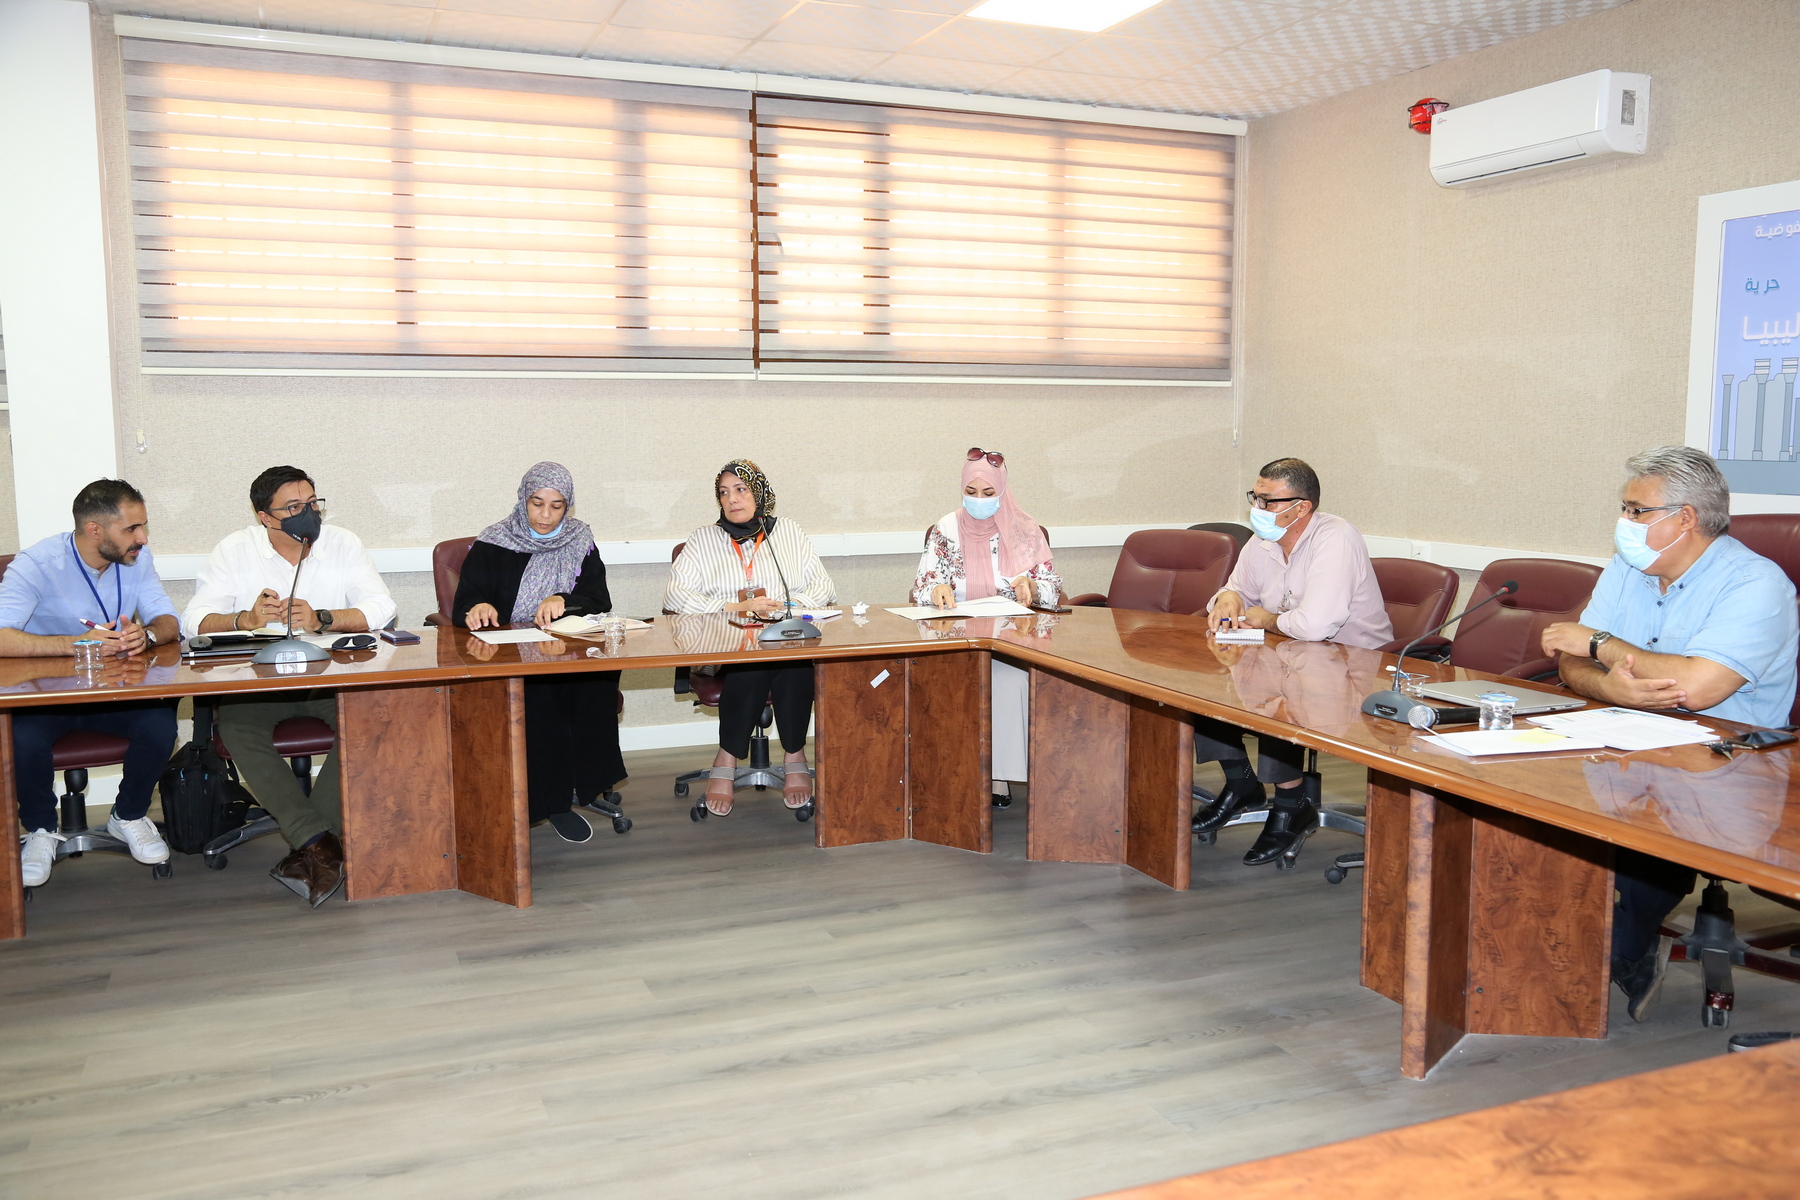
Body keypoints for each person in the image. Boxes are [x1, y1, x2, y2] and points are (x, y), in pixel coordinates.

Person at [1541, 445, 1797, 1021]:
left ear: (1686, 519)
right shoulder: (1628, 568)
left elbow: (1698, 687)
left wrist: (1601, 647)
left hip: (1732, 763)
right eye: (1624, 508)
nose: (1624, 522)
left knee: (1643, 819)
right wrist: (1614, 687)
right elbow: (1569, 660)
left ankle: (1616, 955)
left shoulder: (1755, 584)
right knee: (1533, 798)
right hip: (1628, 736)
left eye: (1637, 511)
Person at [183, 466, 397, 908]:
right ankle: (322, 843)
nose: (308, 514)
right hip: (259, 685)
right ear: (265, 517)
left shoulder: (342, 543)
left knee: (368, 720)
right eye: (294, 507)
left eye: (313, 503)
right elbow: (194, 621)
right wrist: (243, 619)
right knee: (237, 728)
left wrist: (324, 618)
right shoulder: (235, 550)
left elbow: (382, 607)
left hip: (329, 679)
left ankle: (312, 843)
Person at [1192, 457, 1393, 865]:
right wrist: (1228, 598)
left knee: (1279, 699)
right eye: (1255, 497)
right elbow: (1237, 590)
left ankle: (1291, 804)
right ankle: (1241, 783)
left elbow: (1315, 625)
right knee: (1203, 687)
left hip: (1355, 667)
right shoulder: (1264, 540)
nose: (1258, 509)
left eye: (1268, 501)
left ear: (1302, 507)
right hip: (1289, 652)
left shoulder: (1335, 539)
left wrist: (1266, 618)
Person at [0, 480, 179, 888]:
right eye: (131, 528)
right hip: (46, 695)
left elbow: (168, 620)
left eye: (143, 526)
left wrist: (148, 635)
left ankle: (128, 815)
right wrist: (75, 644)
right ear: (95, 530)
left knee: (159, 725)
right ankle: (40, 829)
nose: (142, 538)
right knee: (22, 738)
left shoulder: (137, 558)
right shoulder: (37, 564)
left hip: (113, 691)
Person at [452, 461, 626, 842]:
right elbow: (465, 601)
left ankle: (585, 782)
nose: (546, 515)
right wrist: (477, 608)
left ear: (568, 506)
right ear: (523, 500)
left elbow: (599, 600)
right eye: (537, 504)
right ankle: (551, 802)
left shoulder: (580, 540)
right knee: (541, 695)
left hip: (564, 649)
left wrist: (564, 599)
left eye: (556, 506)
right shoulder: (493, 542)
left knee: (596, 682)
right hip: (508, 655)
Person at [663, 460, 834, 817]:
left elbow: (823, 587)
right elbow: (675, 597)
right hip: (722, 648)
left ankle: (794, 754)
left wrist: (782, 606)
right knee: (751, 664)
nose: (732, 499)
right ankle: (726, 757)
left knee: (795, 663)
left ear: (759, 494)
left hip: (783, 640)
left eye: (741, 490)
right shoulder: (703, 539)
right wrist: (735, 607)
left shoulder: (788, 532)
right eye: (724, 493)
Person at [911, 447, 1060, 807]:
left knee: (1008, 681)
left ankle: (997, 775)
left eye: (989, 493)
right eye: (971, 492)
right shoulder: (945, 529)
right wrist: (936, 590)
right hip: (955, 638)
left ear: (1002, 491)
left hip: (1011, 640)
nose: (979, 500)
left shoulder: (1025, 530)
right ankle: (951, 773)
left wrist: (1032, 587)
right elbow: (920, 588)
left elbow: (1053, 590)